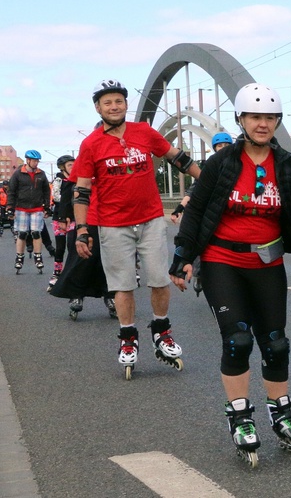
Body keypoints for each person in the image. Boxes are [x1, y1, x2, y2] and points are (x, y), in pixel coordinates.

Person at [170, 83, 291, 467]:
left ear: (277, 122)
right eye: (255, 117)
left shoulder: (285, 166)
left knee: (276, 342)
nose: (262, 124)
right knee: (237, 340)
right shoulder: (222, 164)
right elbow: (196, 212)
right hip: (221, 261)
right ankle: (240, 416)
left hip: (267, 263)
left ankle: (281, 414)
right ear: (242, 120)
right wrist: (183, 256)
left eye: (269, 118)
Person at [71, 79, 203, 379]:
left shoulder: (143, 132)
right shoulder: (91, 144)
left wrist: (205, 180)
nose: (114, 106)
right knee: (123, 285)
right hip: (113, 224)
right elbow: (81, 191)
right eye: (107, 103)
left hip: (151, 219)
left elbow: (177, 158)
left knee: (158, 279)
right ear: (98, 108)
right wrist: (81, 229)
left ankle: (161, 330)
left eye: (118, 101)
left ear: (126, 104)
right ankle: (128, 338)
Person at [170, 131, 233, 296]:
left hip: (228, 215)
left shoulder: (238, 166)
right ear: (215, 148)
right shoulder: (210, 168)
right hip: (208, 214)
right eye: (220, 146)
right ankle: (199, 273)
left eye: (227, 145)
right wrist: (179, 209)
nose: (223, 148)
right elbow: (193, 192)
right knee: (200, 244)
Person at [50, 165, 116, 321]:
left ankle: (110, 294)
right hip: (87, 218)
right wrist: (64, 215)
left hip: (112, 217)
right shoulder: (86, 157)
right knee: (83, 257)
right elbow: (69, 187)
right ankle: (76, 294)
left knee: (109, 260)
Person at [7, 149, 52, 274]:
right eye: (34, 161)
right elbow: (11, 191)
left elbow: (46, 191)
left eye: (38, 161)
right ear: (28, 160)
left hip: (37, 207)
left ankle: (38, 256)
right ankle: (19, 257)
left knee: (36, 233)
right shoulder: (18, 174)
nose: (36, 163)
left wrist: (47, 206)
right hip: (21, 207)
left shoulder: (41, 174)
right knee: (22, 234)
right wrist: (10, 207)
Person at [47, 155, 75, 291]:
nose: (73, 167)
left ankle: (71, 273)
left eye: (74, 164)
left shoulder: (76, 179)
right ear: (63, 168)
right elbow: (57, 196)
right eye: (70, 165)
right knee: (60, 247)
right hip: (59, 217)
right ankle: (57, 273)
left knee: (72, 245)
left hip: (73, 217)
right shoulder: (59, 179)